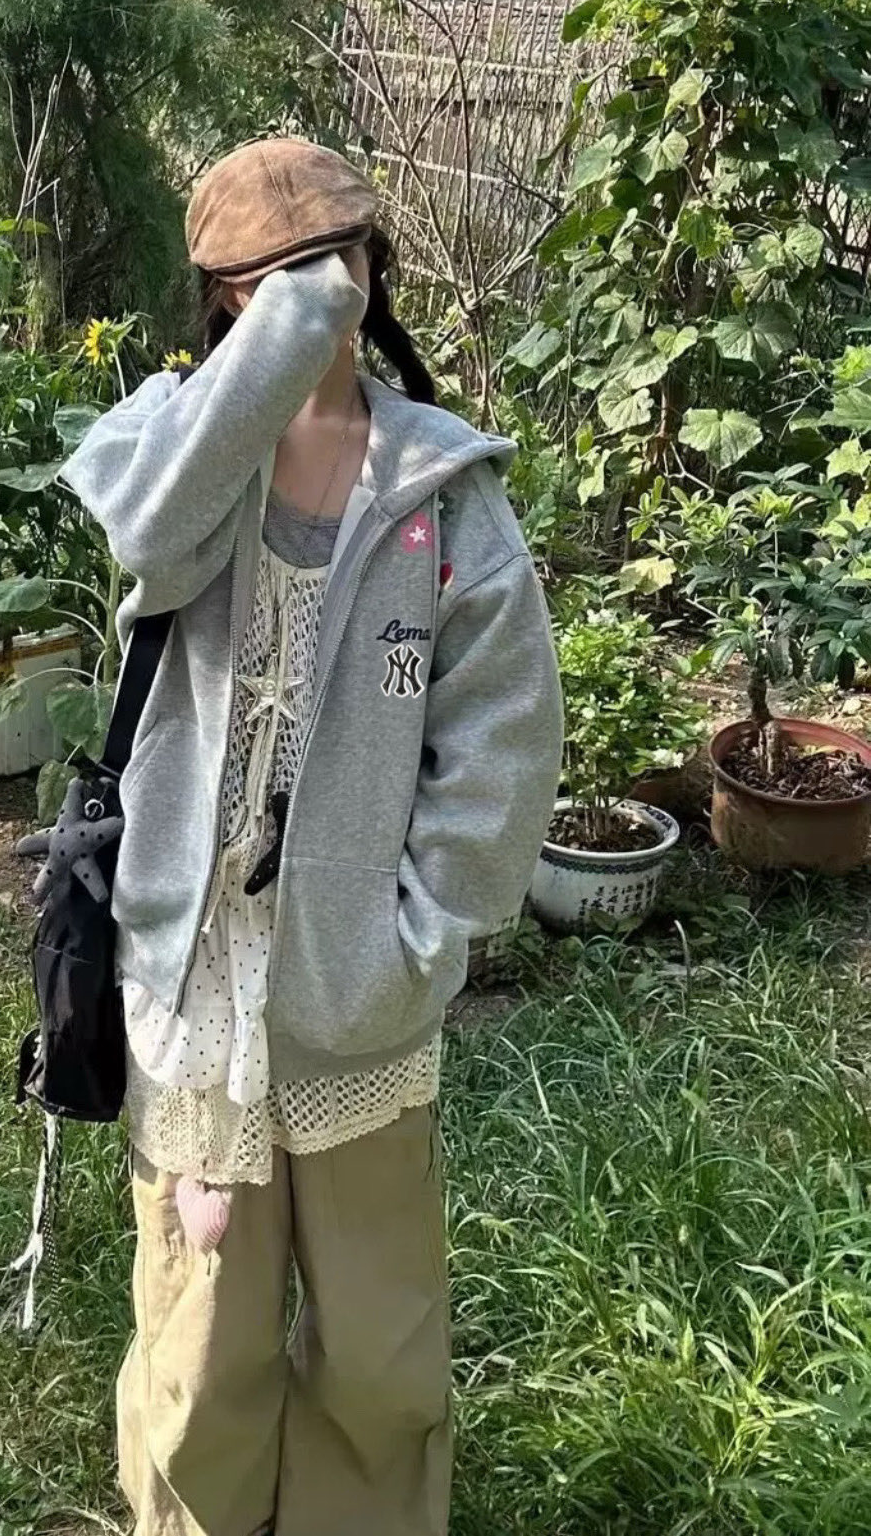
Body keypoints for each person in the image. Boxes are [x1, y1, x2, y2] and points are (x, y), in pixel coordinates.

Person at [57, 138, 563, 1536]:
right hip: (196, 982)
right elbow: (151, 541)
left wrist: (425, 933)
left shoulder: (441, 491)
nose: (309, 297)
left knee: (379, 1344)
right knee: (203, 1337)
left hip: (358, 985)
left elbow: (504, 743)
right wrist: (275, 348)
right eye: (263, 283)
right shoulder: (176, 446)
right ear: (223, 298)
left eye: (334, 266)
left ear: (374, 266)